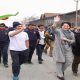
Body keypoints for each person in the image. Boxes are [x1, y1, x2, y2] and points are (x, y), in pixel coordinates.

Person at [52, 16, 75, 80]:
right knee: (59, 61)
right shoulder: (58, 31)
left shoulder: (71, 33)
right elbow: (53, 28)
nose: (66, 27)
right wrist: (55, 22)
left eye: (67, 26)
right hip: (59, 49)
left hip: (68, 49)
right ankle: (60, 75)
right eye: (64, 25)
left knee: (69, 61)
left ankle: (60, 71)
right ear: (61, 26)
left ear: (69, 27)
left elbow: (73, 41)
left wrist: (68, 40)